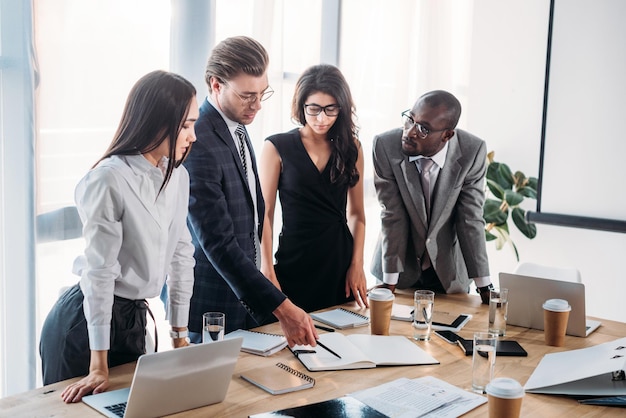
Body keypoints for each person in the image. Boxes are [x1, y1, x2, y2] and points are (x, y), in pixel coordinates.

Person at [39, 70, 198, 402]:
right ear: (156, 122)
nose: (193, 136)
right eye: (185, 125)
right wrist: (98, 365)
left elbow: (182, 255)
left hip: (131, 319)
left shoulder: (177, 176)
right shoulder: (108, 179)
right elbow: (100, 273)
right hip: (86, 324)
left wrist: (180, 335)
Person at [184, 36, 318, 346]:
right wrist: (282, 308)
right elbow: (217, 242)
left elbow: (253, 216)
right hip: (214, 304)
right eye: (247, 95)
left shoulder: (237, 127)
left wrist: (266, 273)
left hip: (246, 299)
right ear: (216, 85)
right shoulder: (199, 139)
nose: (256, 105)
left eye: (262, 94)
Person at [259, 64, 368, 312]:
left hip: (339, 261)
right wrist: (266, 267)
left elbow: (357, 214)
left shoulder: (352, 147)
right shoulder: (276, 147)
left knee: (341, 339)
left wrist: (356, 264)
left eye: (331, 110)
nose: (322, 118)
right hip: (293, 260)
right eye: (314, 109)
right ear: (301, 105)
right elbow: (265, 214)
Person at [370, 90, 493, 303]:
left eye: (423, 129)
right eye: (410, 120)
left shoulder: (472, 151)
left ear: (447, 135)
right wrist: (389, 283)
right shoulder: (386, 146)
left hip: (448, 273)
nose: (409, 132)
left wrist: (485, 286)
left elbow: (470, 218)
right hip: (399, 271)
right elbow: (392, 214)